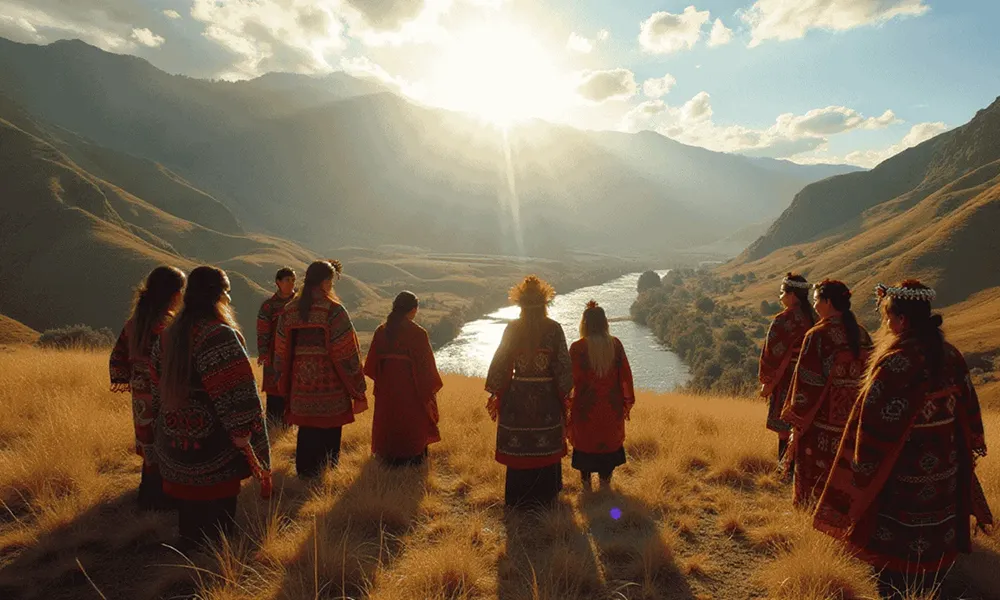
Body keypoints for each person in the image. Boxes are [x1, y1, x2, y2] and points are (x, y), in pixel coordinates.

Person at [813, 281, 993, 597]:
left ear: (902, 320)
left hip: (902, 475)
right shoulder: (951, 355)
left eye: (888, 316)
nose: (885, 323)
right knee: (934, 557)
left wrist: (863, 466)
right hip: (945, 471)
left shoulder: (896, 362)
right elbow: (970, 409)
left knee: (894, 565)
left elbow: (872, 423)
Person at [151, 266, 271, 550]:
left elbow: (155, 380)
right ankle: (214, 564)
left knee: (189, 516)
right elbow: (238, 393)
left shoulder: (169, 334)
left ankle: (189, 556)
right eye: (227, 293)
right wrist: (246, 435)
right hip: (214, 446)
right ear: (218, 296)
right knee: (217, 521)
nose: (228, 299)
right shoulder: (218, 335)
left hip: (175, 443)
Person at [780, 280, 872, 507]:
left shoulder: (818, 335)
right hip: (853, 422)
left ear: (828, 302)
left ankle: (810, 512)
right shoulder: (862, 334)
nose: (814, 305)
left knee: (815, 475)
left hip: (821, 422)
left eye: (816, 300)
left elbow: (807, 382)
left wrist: (797, 419)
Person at [274, 260, 367, 479]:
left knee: (306, 430)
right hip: (330, 387)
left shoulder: (290, 310)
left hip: (301, 386)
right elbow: (347, 351)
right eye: (331, 282)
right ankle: (326, 476)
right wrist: (358, 387)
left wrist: (283, 379)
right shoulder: (333, 311)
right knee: (329, 431)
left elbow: (280, 349)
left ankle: (305, 474)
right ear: (326, 282)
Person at [486, 275, 573, 508]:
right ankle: (546, 498)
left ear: (521, 305)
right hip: (547, 398)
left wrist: (497, 393)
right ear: (545, 304)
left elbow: (500, 363)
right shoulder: (553, 329)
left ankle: (518, 499)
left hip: (518, 396)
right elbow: (564, 367)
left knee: (519, 445)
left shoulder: (512, 328)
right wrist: (564, 394)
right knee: (546, 445)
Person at [109, 265, 186, 511]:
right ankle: (164, 499)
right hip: (166, 394)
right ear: (175, 294)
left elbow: (117, 357)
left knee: (149, 442)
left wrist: (133, 377)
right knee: (167, 443)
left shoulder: (135, 322)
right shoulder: (170, 326)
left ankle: (148, 495)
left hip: (141, 397)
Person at [364, 291, 443, 467]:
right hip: (412, 391)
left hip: (387, 391)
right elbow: (427, 369)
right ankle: (413, 458)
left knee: (388, 421)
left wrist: (386, 381)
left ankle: (387, 457)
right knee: (412, 422)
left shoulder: (381, 331)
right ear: (413, 310)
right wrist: (427, 389)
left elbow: (371, 366)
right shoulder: (418, 333)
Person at [568, 300, 635, 491]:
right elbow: (625, 377)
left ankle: (586, 488)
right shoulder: (615, 344)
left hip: (585, 410)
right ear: (605, 322)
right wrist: (626, 402)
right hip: (611, 409)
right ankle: (606, 489)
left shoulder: (577, 347)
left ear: (584, 323)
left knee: (585, 447)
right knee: (608, 448)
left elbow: (569, 380)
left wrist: (567, 405)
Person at [758, 273, 815, 461]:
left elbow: (772, 354)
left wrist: (767, 381)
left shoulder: (784, 320)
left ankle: (784, 467)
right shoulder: (815, 317)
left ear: (792, 295)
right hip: (812, 378)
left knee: (784, 427)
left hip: (788, 379)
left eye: (782, 292)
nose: (780, 296)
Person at [256, 267, 296, 425]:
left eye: (293, 280)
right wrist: (263, 352)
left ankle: (289, 429)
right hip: (274, 354)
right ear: (278, 282)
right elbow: (262, 331)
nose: (291, 283)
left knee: (293, 390)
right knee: (275, 391)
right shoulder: (269, 306)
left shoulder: (299, 303)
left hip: (295, 353)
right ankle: (273, 427)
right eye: (287, 280)